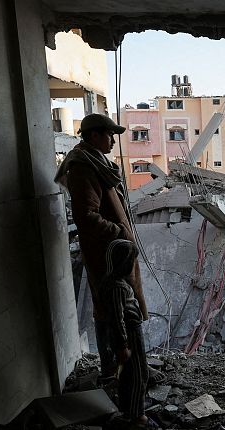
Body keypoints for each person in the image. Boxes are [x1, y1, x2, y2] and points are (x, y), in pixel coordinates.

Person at [53, 114, 150, 379]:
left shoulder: (96, 163)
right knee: (111, 310)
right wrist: (119, 233)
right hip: (106, 254)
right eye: (109, 135)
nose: (113, 141)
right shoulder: (83, 168)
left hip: (114, 250)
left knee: (116, 307)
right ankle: (116, 369)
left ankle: (133, 366)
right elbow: (87, 217)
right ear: (94, 136)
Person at [97, 240, 152, 427]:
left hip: (129, 333)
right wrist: (122, 345)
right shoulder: (117, 287)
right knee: (138, 373)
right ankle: (137, 415)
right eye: (130, 261)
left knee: (129, 373)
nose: (131, 265)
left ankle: (129, 408)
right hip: (130, 334)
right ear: (122, 262)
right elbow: (117, 319)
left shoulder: (114, 282)